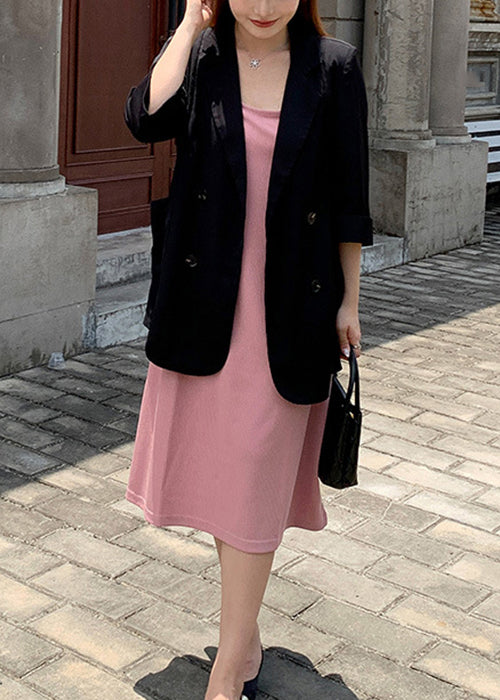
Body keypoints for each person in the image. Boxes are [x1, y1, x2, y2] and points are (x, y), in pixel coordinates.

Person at [123, 0, 373, 697]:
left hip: (292, 308)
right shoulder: (203, 58)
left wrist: (350, 301)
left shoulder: (333, 68)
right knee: (226, 475)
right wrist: (189, 24)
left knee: (256, 480)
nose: (263, 6)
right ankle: (245, 635)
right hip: (206, 302)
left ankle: (231, 663)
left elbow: (350, 196)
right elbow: (144, 117)